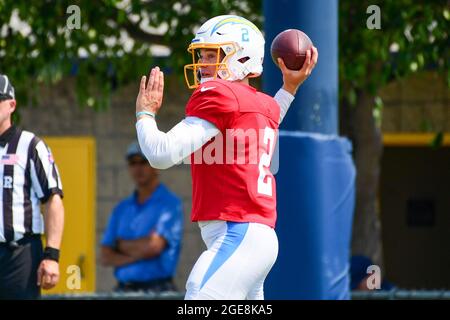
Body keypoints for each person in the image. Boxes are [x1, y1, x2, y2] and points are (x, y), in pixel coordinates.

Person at [135, 15, 318, 299]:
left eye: (213, 55)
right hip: (255, 235)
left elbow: (161, 154)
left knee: (198, 296)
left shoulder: (219, 94)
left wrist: (145, 114)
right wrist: (290, 88)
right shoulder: (262, 104)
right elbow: (272, 114)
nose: (203, 63)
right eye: (202, 54)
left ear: (241, 57)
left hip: (238, 232)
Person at [0, 74, 65, 299]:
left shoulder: (30, 145)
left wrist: (52, 255)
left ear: (11, 105)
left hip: (18, 255)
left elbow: (52, 199)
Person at [100, 141, 183, 293]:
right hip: (123, 290)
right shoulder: (121, 209)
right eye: (133, 163)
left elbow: (153, 246)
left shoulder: (170, 204)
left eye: (144, 162)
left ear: (157, 166)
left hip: (158, 289)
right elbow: (105, 256)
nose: (138, 168)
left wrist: (120, 245)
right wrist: (139, 253)